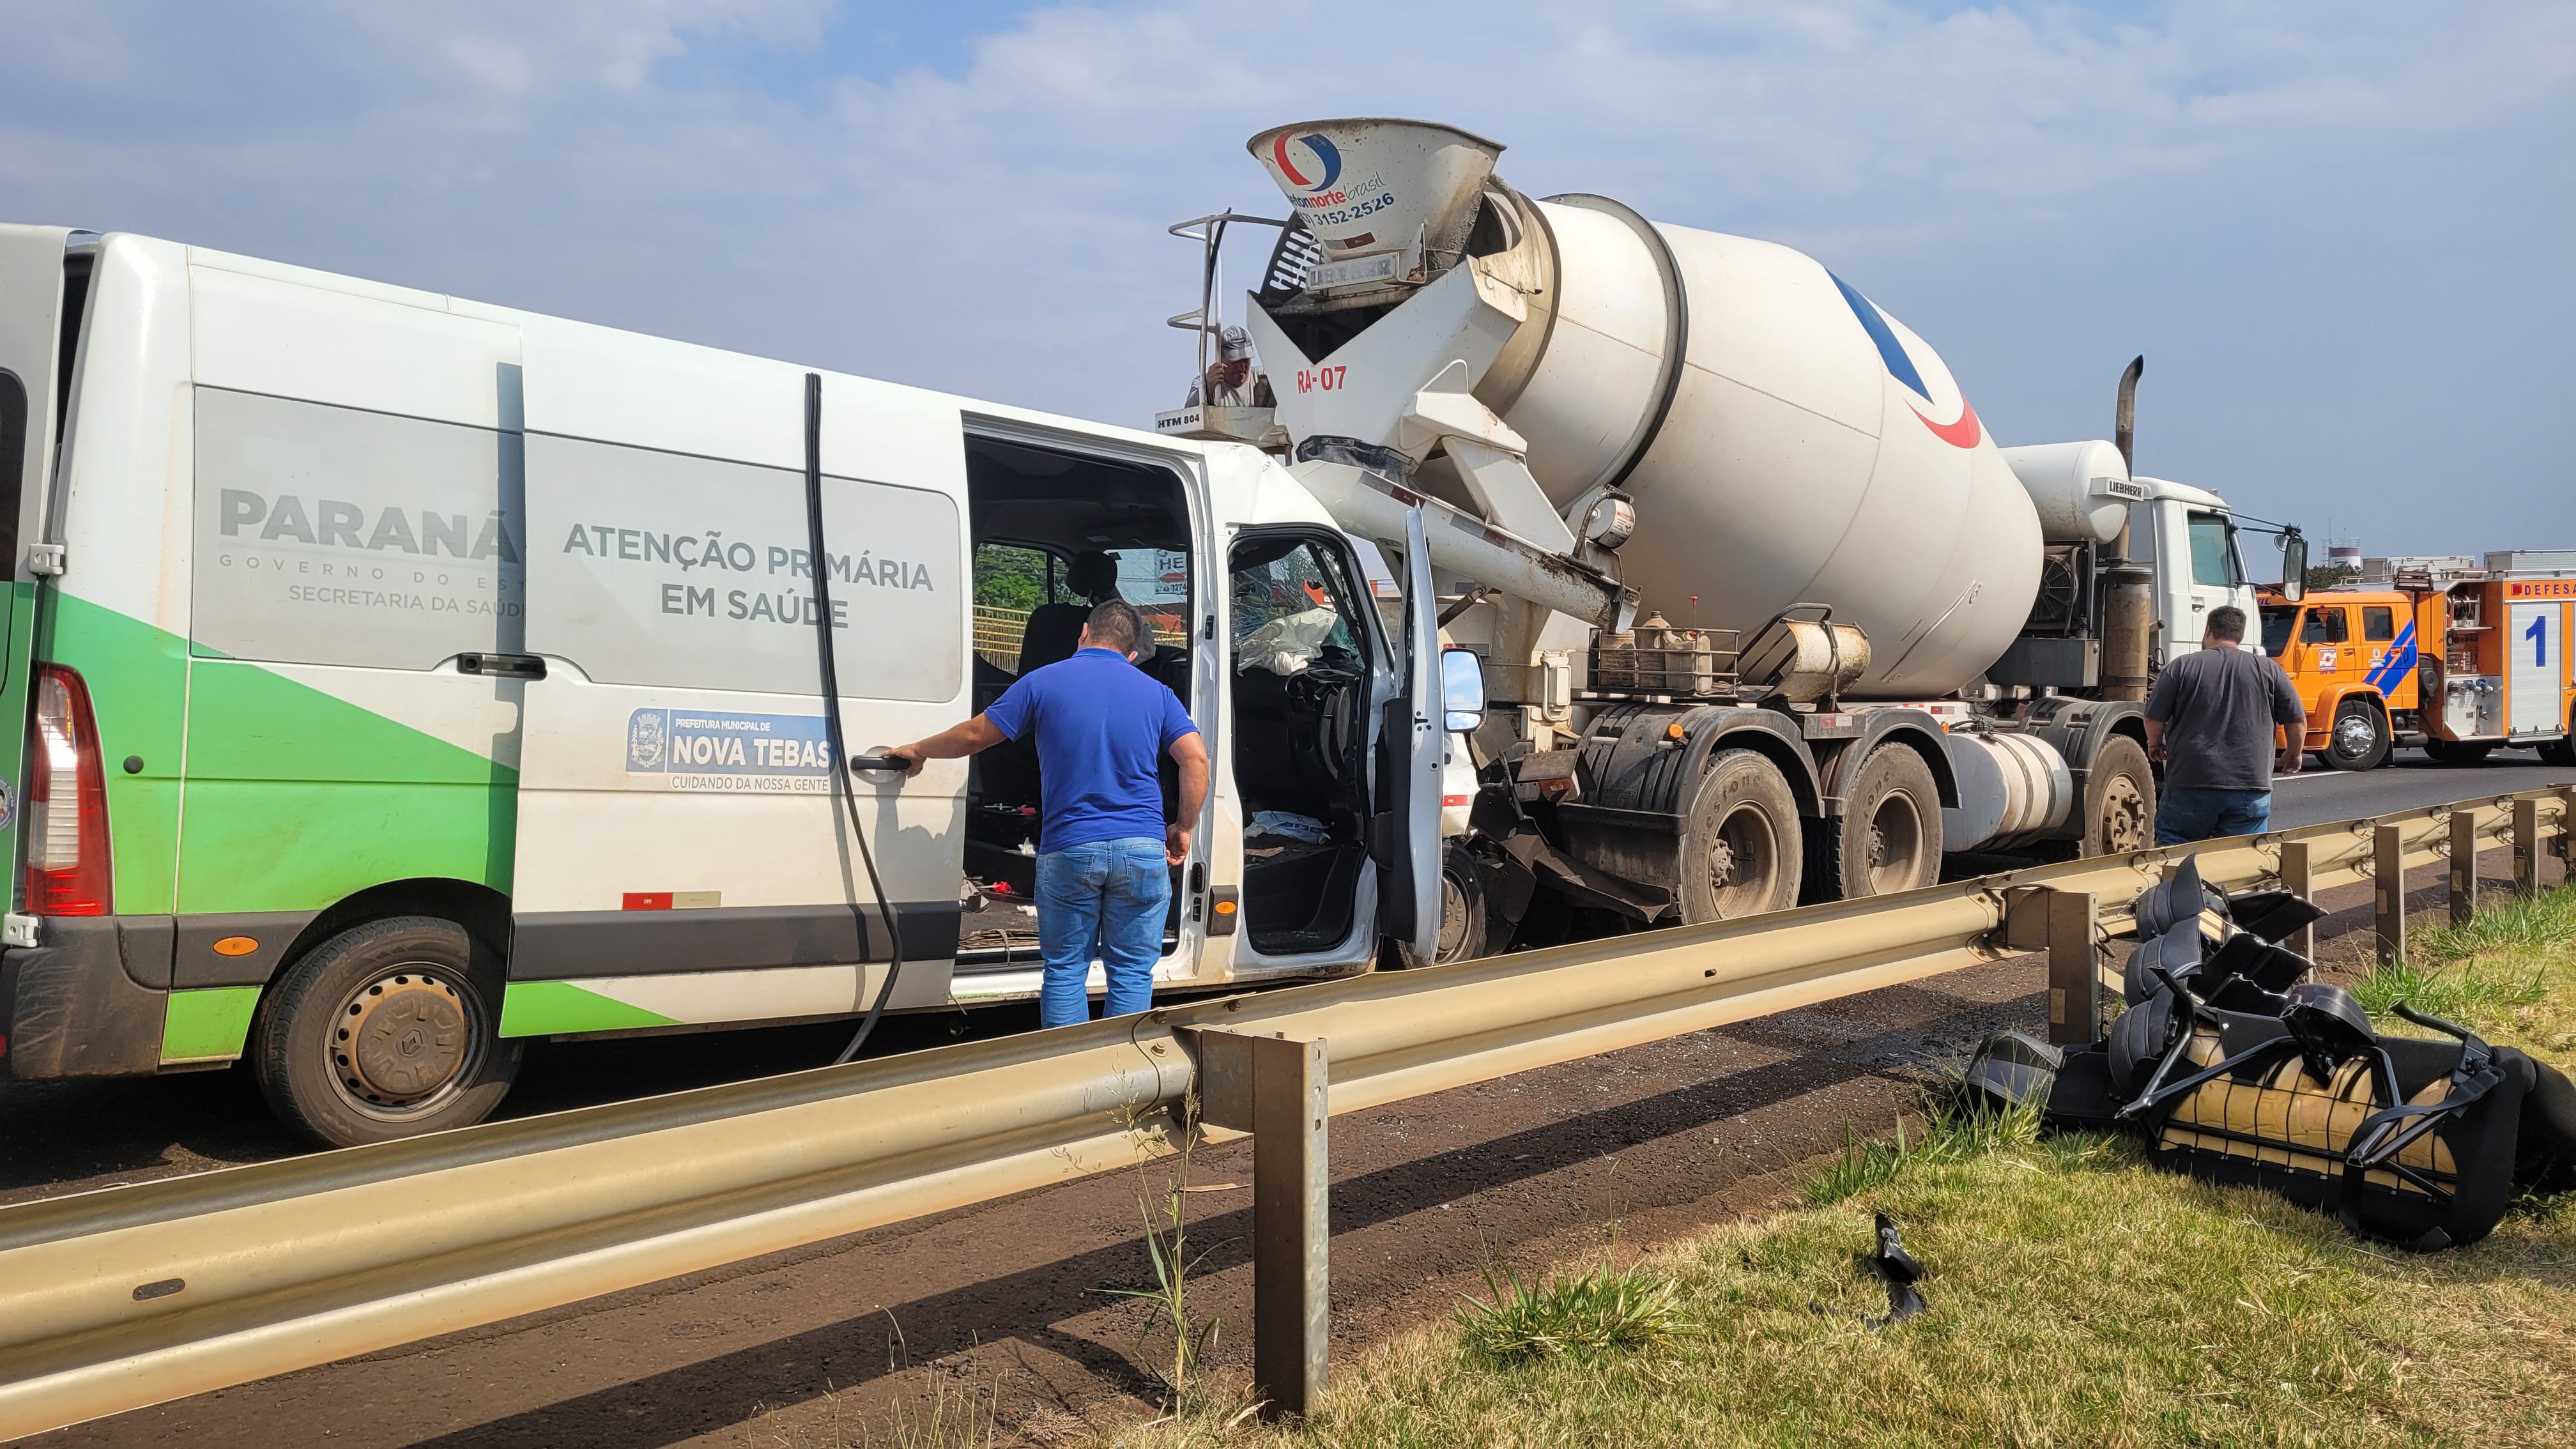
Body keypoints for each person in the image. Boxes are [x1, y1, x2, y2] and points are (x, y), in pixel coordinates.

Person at [886, 599, 1208, 1027]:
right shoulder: (1159, 695)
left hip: (1072, 847)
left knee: (1066, 971)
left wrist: (918, 749)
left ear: (1083, 633)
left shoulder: (1043, 683)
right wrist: (1183, 826)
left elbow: (974, 736)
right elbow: (1196, 761)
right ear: (1132, 654)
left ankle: (1068, 1074)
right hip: (1141, 849)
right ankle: (1124, 1083)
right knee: (1131, 972)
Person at [2143, 604, 2307, 845]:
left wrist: (2155, 744)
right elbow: (2297, 720)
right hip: (2251, 785)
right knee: (2240, 861)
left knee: (2176, 852)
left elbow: (2153, 718)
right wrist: (2294, 753)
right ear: (2239, 634)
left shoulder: (2182, 666)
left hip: (2191, 782)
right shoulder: (2270, 669)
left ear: (2209, 629)